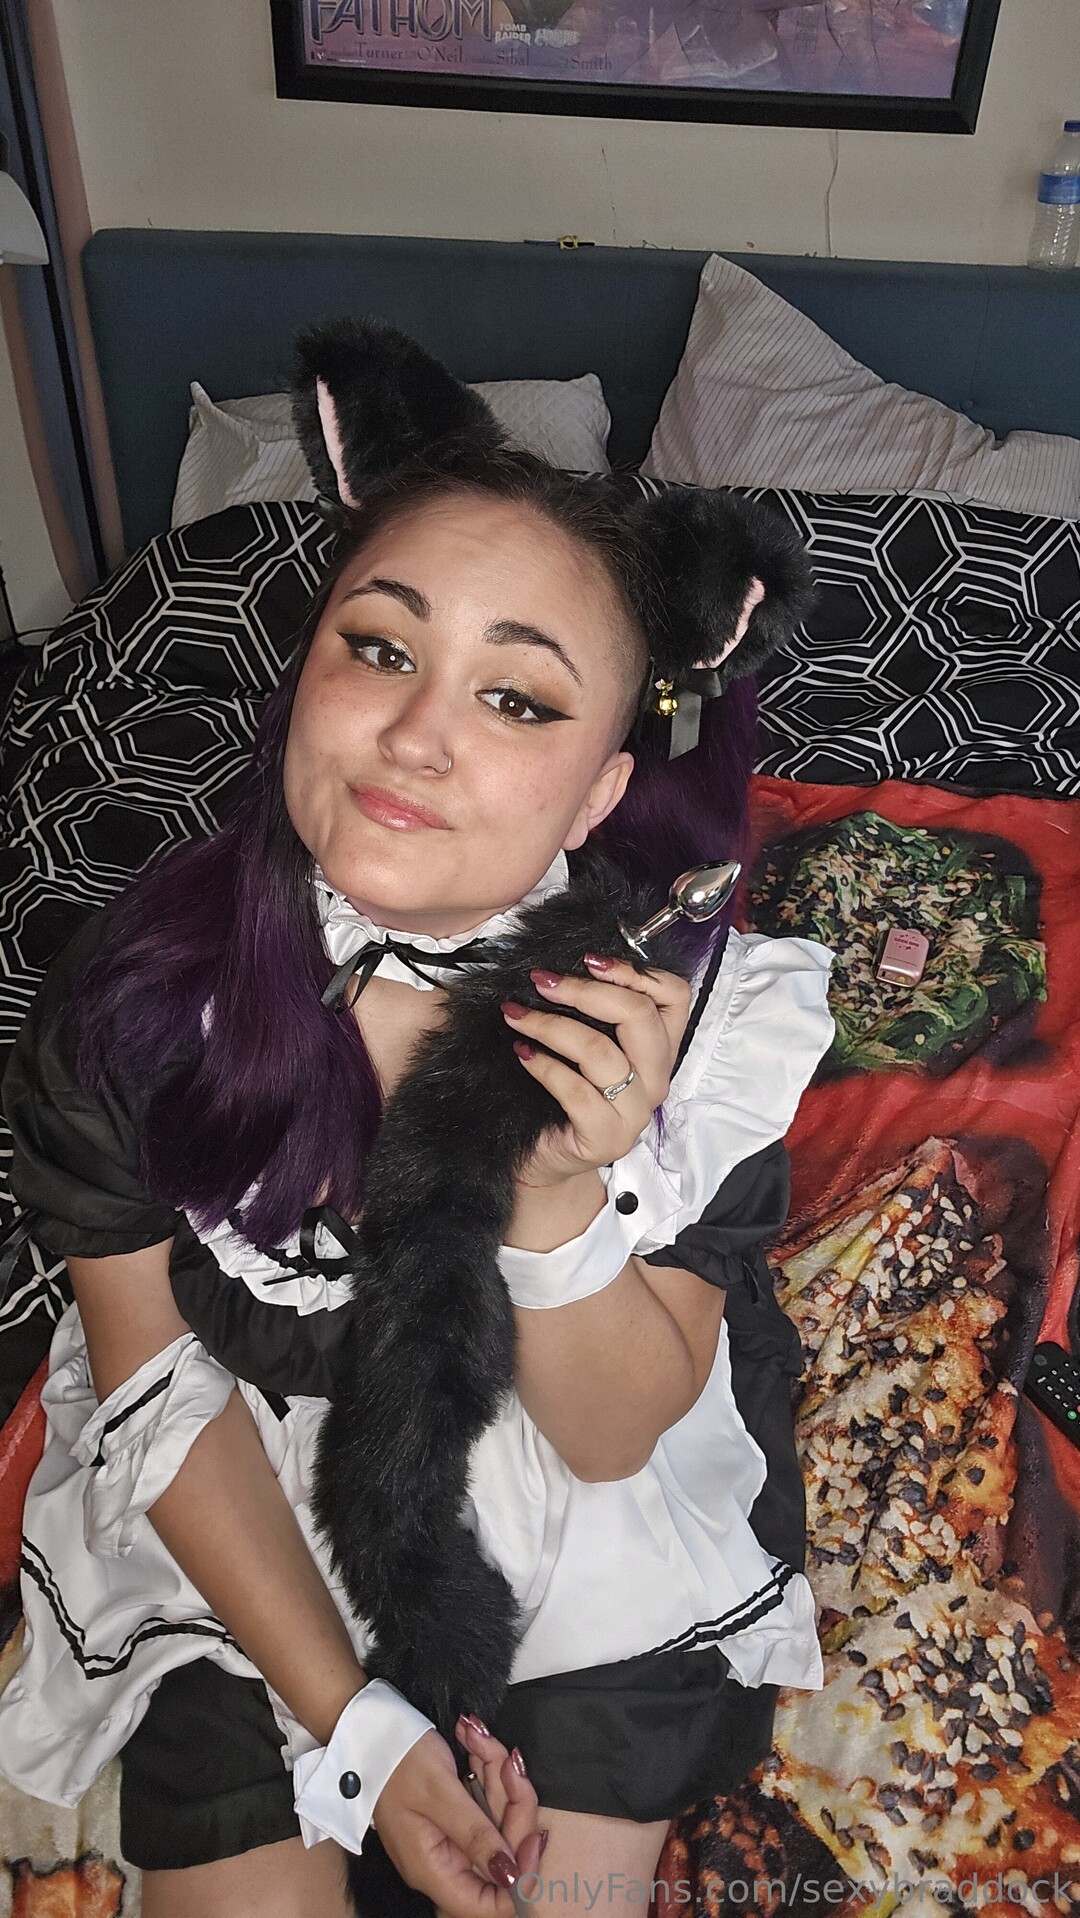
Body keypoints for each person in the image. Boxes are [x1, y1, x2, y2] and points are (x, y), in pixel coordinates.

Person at [0, 325, 834, 1918]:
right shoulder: (133, 1004)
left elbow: (612, 1435)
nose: (418, 735)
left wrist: (552, 1192)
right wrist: (367, 1739)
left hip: (575, 1490)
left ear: (601, 791)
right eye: (381, 648)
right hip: (242, 1498)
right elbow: (159, 1381)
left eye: (518, 697)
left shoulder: (690, 1029)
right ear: (304, 671)